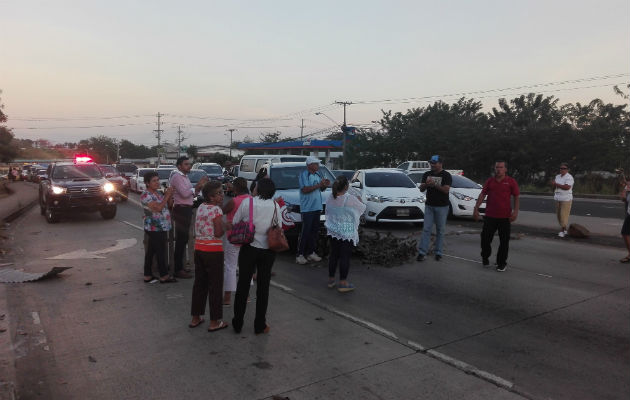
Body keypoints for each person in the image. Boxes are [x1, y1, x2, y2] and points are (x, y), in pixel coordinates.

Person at [231, 178, 282, 334]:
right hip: (268, 250)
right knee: (263, 287)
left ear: (258, 189)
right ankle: (260, 324)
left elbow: (235, 221)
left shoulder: (248, 203)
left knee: (243, 285)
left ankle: (238, 323)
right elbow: (278, 226)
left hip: (249, 247)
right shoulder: (275, 205)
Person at [189, 181, 229, 331]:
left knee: (200, 284)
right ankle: (215, 322)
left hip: (199, 249)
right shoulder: (216, 211)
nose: (222, 195)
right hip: (213, 251)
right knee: (215, 286)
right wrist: (225, 227)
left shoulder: (201, 207)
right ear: (211, 197)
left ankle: (195, 317)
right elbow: (218, 233)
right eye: (219, 193)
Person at [473, 161, 520, 272]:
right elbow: (482, 194)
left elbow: (517, 196)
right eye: (497, 167)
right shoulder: (490, 181)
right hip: (490, 216)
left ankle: (501, 263)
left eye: (501, 167)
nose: (498, 169)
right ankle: (485, 256)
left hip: (505, 217)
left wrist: (515, 212)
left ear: (505, 169)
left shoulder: (511, 182)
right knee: (485, 239)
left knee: (504, 242)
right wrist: (476, 209)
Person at [325, 175, 366, 292]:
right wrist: (359, 200)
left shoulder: (330, 197)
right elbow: (362, 208)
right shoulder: (350, 198)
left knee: (334, 255)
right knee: (344, 257)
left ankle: (331, 280)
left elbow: (327, 212)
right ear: (346, 186)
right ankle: (343, 282)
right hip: (346, 230)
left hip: (333, 229)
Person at [170, 156, 208, 279]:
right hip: (181, 209)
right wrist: (197, 186)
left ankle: (180, 267)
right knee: (181, 240)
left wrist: (198, 188)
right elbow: (185, 193)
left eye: (189, 164)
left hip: (186, 208)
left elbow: (192, 194)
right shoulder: (176, 177)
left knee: (184, 239)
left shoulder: (185, 177)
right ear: (179, 166)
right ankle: (177, 269)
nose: (189, 166)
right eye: (186, 164)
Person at [140, 171, 177, 283]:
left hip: (161, 226)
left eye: (158, 180)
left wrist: (170, 195)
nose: (157, 182)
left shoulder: (158, 193)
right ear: (147, 183)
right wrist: (166, 196)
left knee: (151, 251)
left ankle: (147, 275)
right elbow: (158, 208)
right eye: (154, 181)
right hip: (154, 227)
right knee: (160, 251)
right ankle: (164, 275)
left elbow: (169, 206)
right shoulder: (146, 195)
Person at [416, 155, 452, 262]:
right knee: (426, 229)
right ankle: (422, 252)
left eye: (434, 163)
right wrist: (426, 185)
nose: (432, 165)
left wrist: (435, 184)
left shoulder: (446, 175)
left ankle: (438, 252)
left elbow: (446, 190)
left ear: (440, 164)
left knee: (440, 230)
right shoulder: (427, 174)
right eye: (431, 163)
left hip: (442, 206)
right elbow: (421, 189)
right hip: (429, 206)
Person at [221, 177, 250, 305]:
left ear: (236, 188)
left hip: (233, 236)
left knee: (230, 267)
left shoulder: (234, 201)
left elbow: (222, 211)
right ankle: (246, 295)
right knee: (246, 267)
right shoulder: (251, 200)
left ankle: (227, 298)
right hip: (248, 236)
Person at [296, 156, 330, 265]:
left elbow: (321, 189)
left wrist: (324, 185)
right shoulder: (304, 175)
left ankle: (311, 252)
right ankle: (300, 255)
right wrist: (319, 185)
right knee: (306, 231)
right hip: (307, 208)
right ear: (310, 165)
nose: (318, 166)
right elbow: (305, 189)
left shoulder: (318, 174)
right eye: (316, 164)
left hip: (317, 207)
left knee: (314, 231)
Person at [552, 163, 574, 238]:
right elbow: (555, 185)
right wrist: (553, 184)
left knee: (563, 215)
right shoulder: (557, 176)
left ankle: (562, 231)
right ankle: (565, 230)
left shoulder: (569, 177)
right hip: (558, 197)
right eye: (561, 168)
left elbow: (567, 187)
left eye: (564, 168)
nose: (562, 170)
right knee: (558, 215)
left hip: (566, 198)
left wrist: (556, 184)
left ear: (567, 170)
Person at [620, 177, 630, 263]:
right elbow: (623, 199)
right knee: (625, 233)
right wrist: (625, 189)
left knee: (625, 233)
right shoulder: (628, 189)